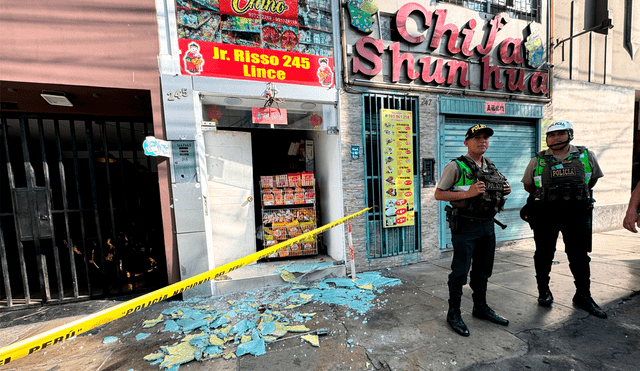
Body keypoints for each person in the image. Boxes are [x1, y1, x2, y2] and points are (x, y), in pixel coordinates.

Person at [521, 120, 606, 318]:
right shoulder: (538, 160)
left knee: (579, 255)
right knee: (543, 254)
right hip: (545, 214)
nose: (556, 138)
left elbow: (591, 181)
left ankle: (583, 295)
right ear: (547, 139)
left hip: (576, 213)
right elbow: (528, 186)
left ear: (569, 134)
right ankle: (544, 291)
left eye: (560, 133)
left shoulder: (586, 156)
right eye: (551, 135)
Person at [435, 124, 511, 337]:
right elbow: (439, 194)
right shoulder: (456, 166)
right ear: (466, 142)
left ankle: (480, 307)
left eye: (486, 137)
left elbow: (495, 190)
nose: (482, 141)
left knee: (483, 270)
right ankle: (454, 313)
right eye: (477, 137)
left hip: (488, 225)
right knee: (460, 272)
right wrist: (467, 194)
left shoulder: (491, 166)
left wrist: (506, 189)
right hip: (465, 226)